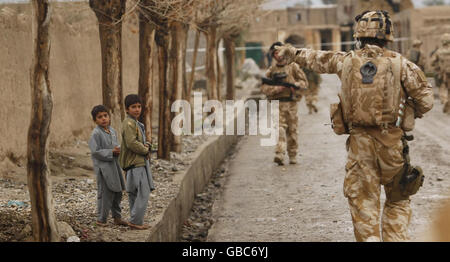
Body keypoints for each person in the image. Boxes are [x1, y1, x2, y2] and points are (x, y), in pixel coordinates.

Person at [276, 10, 433, 241]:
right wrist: (409, 111)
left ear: (359, 34)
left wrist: (292, 53)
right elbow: (427, 101)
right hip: (392, 147)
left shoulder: (345, 61)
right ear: (388, 35)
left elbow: (317, 59)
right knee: (398, 201)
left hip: (360, 148)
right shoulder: (403, 65)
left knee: (364, 204)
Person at [261, 41, 309, 165]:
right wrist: (276, 89)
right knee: (280, 129)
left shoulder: (293, 67)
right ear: (273, 55)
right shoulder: (271, 71)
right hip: (277, 103)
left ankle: (292, 154)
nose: (278, 55)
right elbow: (264, 88)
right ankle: (279, 153)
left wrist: (295, 86)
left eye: (280, 52)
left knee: (292, 131)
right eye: (275, 53)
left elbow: (304, 82)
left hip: (291, 104)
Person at [119, 94, 155, 230]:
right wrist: (145, 150)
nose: (137, 109)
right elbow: (131, 143)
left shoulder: (134, 123)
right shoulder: (129, 123)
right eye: (133, 107)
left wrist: (146, 144)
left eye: (139, 106)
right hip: (136, 163)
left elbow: (136, 141)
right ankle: (135, 220)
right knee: (143, 192)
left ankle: (136, 221)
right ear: (127, 109)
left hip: (134, 164)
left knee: (134, 193)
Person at [88, 105, 128, 227]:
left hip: (115, 166)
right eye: (100, 117)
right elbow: (95, 152)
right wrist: (111, 152)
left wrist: (119, 151)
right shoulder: (96, 134)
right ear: (95, 120)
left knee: (117, 192)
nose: (103, 119)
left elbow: (116, 146)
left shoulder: (112, 131)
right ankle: (101, 219)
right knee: (106, 193)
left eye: (105, 116)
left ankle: (117, 217)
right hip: (104, 169)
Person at [430, 33, 450, 113]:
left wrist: (437, 68)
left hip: (444, 73)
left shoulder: (439, 51)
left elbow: (432, 62)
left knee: (445, 88)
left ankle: (446, 102)